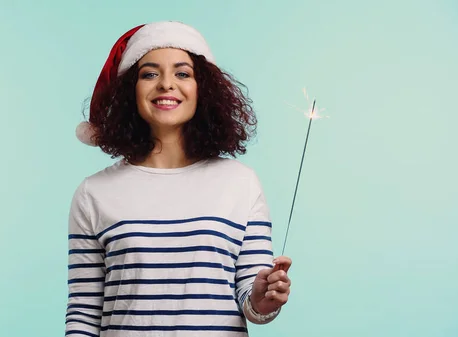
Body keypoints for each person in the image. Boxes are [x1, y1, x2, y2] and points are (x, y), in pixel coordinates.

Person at [66, 21, 292, 337]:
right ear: (130, 90)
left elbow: (252, 302)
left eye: (182, 73)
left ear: (205, 89)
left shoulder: (241, 183)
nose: (166, 84)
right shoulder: (93, 193)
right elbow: (84, 313)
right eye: (149, 74)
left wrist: (264, 298)